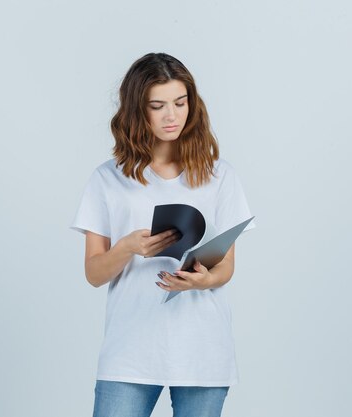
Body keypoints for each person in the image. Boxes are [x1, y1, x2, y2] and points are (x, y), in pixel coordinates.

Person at [69, 52, 257, 417]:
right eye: (158, 105)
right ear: (138, 110)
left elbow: (226, 268)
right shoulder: (107, 178)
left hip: (203, 349)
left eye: (180, 102)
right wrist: (126, 248)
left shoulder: (220, 176)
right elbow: (93, 274)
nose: (171, 115)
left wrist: (201, 281)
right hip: (130, 351)